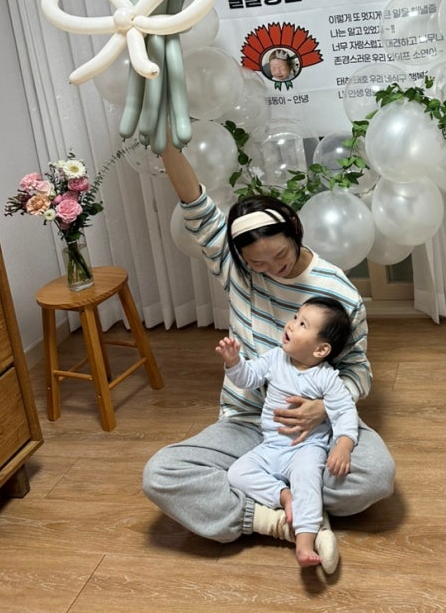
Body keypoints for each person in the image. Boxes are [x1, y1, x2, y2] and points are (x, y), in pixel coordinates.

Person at [142, 140, 395, 553]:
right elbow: (194, 203)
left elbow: (358, 370)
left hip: (316, 430)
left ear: (293, 228)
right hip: (247, 423)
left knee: (376, 477)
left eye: (279, 254)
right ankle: (276, 519)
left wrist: (322, 409)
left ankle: (280, 496)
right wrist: (166, 145)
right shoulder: (235, 268)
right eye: (258, 263)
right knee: (161, 474)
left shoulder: (338, 293)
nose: (272, 268)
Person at [217, 296, 358, 570]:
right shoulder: (275, 358)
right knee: (237, 473)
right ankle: (283, 496)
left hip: (307, 448)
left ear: (321, 349)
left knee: (307, 480)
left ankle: (304, 543)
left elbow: (345, 412)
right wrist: (234, 362)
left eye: (303, 324)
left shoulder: (326, 377)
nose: (291, 325)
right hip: (271, 446)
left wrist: (343, 446)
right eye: (295, 317)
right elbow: (249, 377)